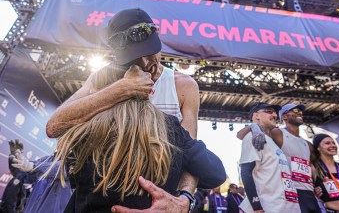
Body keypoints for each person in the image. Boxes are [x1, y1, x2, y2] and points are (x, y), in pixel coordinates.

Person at [45, 8, 201, 212]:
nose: (146, 63)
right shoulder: (103, 78)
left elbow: (191, 156)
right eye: (135, 56)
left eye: (149, 51)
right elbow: (54, 126)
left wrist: (184, 199)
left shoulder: (183, 86)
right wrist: (120, 89)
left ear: (158, 34)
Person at [47, 64, 226, 213]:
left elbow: (73, 174)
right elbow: (215, 173)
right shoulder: (169, 128)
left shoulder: (84, 131)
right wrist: (185, 197)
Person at [238, 102, 300, 213]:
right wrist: (257, 208)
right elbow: (246, 172)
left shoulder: (271, 141)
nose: (275, 115)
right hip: (269, 208)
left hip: (288, 208)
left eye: (275, 112)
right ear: (256, 115)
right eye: (269, 111)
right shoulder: (254, 137)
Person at [9, 148, 72, 213]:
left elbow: (62, 169)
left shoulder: (76, 162)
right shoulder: (47, 159)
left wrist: (34, 167)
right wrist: (15, 158)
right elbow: (24, 176)